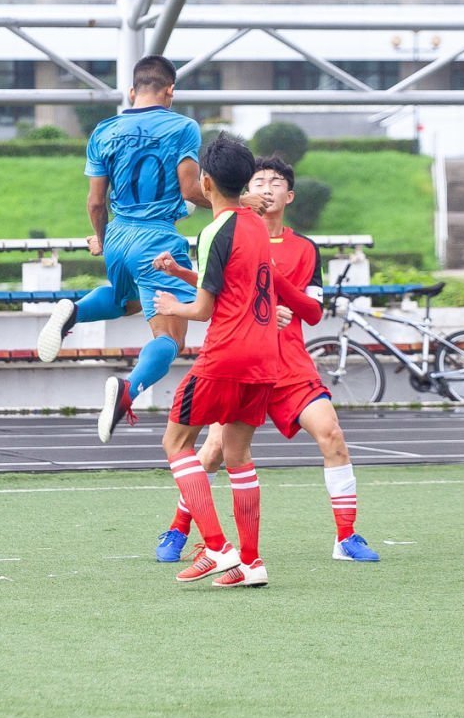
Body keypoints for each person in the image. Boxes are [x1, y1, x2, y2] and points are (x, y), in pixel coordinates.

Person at [150, 156, 380, 564]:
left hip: (289, 366)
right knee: (213, 451)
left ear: (289, 195)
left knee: (332, 435)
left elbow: (312, 312)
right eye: (259, 181)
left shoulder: (304, 248)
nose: (267, 188)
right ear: (245, 191)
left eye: (276, 182)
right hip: (244, 360)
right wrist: (183, 273)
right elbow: (216, 290)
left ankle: (345, 538)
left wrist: (272, 282)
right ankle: (180, 529)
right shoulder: (232, 231)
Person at [36, 55, 260, 442]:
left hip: (118, 237)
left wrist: (103, 238)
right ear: (170, 90)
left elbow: (95, 203)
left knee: (126, 301)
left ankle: (74, 311)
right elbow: (190, 189)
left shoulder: (104, 131)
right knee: (170, 339)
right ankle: (128, 389)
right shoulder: (183, 127)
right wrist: (240, 202)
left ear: (131, 91)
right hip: (156, 238)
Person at [149, 133, 280, 587]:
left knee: (176, 442)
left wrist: (173, 306)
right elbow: (230, 284)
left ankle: (217, 547)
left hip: (226, 354)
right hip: (264, 355)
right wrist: (181, 271)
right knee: (239, 455)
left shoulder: (213, 231)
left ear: (205, 182)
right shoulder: (256, 225)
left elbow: (204, 309)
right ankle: (251, 563)